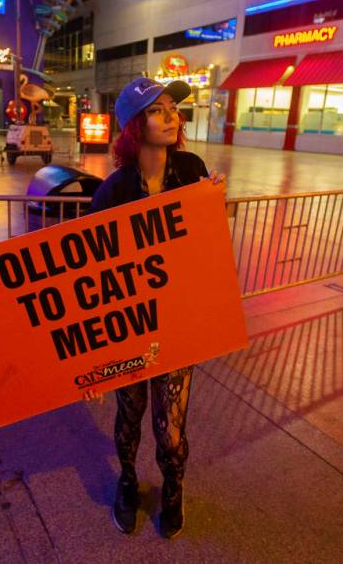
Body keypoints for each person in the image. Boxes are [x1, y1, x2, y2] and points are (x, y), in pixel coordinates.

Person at [85, 77, 226, 539]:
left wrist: (214, 204)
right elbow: (90, 277)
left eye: (173, 109)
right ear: (132, 126)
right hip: (128, 329)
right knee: (129, 417)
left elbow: (206, 247)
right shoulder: (113, 191)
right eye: (158, 110)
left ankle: (173, 487)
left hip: (178, 324)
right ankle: (127, 482)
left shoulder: (190, 169)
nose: (172, 116)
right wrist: (92, 361)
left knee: (170, 430)